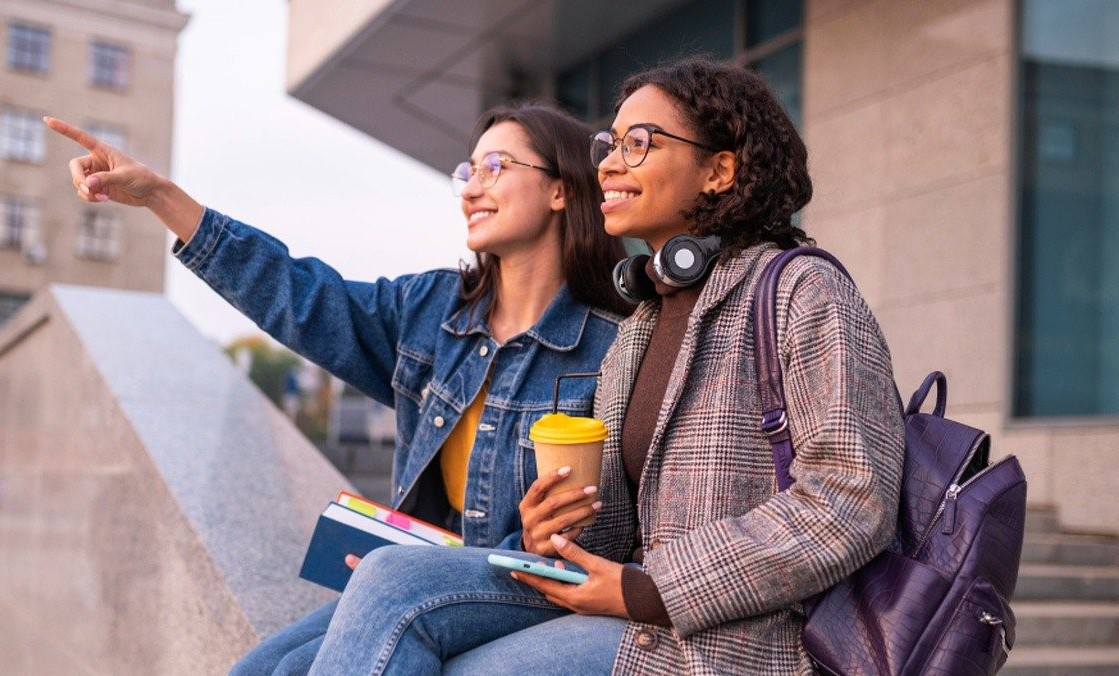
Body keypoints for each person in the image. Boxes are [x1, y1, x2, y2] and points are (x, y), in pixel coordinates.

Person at [305, 57, 907, 675]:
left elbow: (851, 501)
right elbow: (617, 529)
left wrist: (647, 590)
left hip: (741, 643)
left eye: (639, 143)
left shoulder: (802, 291)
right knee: (375, 589)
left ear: (719, 171)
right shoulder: (643, 323)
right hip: (635, 618)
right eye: (610, 143)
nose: (609, 164)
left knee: (431, 636)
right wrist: (554, 530)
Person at [45, 103, 631, 674]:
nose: (471, 188)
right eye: (467, 172)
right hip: (432, 568)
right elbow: (300, 296)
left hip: (533, 577)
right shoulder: (431, 310)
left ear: (561, 190)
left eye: (495, 168)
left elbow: (629, 518)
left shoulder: (613, 346)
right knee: (263, 667)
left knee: (377, 603)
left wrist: (535, 535)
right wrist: (159, 196)